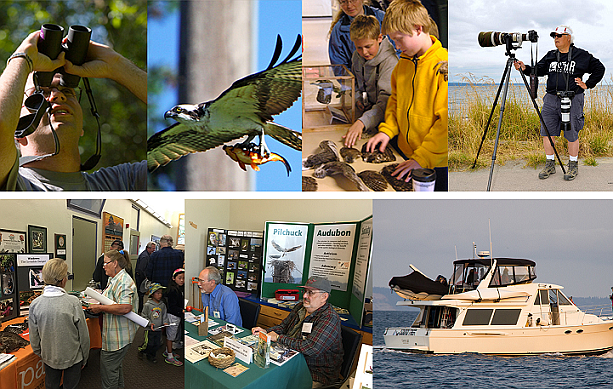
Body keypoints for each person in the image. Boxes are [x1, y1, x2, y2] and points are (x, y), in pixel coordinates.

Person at [0, 30, 147, 191]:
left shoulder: (120, 183)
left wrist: (116, 65)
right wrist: (22, 58)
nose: (58, 96)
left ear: (81, 127)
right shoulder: (12, 182)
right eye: (41, 92)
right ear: (16, 127)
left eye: (68, 91)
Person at [365, 0, 448, 191]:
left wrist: (422, 158)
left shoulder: (443, 66)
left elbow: (446, 124)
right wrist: (387, 130)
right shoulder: (402, 65)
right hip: (406, 156)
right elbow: (395, 103)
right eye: (392, 40)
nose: (396, 45)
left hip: (436, 163)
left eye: (399, 38)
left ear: (418, 28)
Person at [514, 25, 605, 181]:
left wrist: (587, 84)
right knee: (547, 132)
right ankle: (550, 164)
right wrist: (524, 68)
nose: (556, 38)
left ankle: (573, 165)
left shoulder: (581, 55)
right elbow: (537, 70)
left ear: (568, 38)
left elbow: (599, 68)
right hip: (551, 99)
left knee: (572, 133)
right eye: (554, 36)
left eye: (559, 36)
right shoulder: (551, 55)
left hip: (573, 99)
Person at [252, 276, 343, 387]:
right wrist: (266, 332)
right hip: (290, 360)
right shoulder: (300, 307)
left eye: (311, 293)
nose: (304, 296)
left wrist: (279, 338)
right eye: (305, 291)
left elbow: (311, 348)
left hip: (315, 372)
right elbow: (283, 327)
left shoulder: (329, 318)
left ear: (324, 297)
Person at [28, 258, 90, 389]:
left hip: (49, 357)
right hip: (74, 358)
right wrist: (85, 357)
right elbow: (83, 336)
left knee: (51, 385)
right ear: (63, 280)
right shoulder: (73, 302)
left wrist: (42, 354)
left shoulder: (35, 304)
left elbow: (34, 337)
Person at [343, 15, 398, 147]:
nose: (364, 52)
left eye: (368, 46)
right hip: (367, 114)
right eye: (359, 47)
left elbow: (386, 103)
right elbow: (355, 83)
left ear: (379, 38)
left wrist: (362, 122)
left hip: (386, 124)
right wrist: (357, 98)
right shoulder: (357, 56)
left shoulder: (391, 63)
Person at [89, 249, 138, 389]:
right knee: (115, 369)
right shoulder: (113, 279)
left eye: (105, 263)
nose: (103, 266)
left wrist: (100, 308)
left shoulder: (123, 282)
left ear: (115, 263)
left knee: (109, 372)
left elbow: (125, 308)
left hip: (118, 337)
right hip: (114, 333)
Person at [329, 0, 386, 71]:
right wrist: (353, 80)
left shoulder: (382, 18)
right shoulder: (338, 31)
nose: (349, 6)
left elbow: (397, 50)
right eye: (343, 2)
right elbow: (339, 66)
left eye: (353, 0)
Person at [138, 283, 169, 364]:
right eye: (158, 293)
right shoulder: (147, 305)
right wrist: (150, 323)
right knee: (149, 344)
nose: (160, 295)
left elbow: (164, 315)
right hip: (149, 329)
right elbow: (143, 316)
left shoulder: (162, 305)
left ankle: (151, 356)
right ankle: (141, 350)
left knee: (157, 344)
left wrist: (165, 322)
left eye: (161, 293)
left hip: (158, 329)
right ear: (152, 294)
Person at [163, 268, 184, 366]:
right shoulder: (172, 291)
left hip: (176, 315)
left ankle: (168, 351)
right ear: (173, 278)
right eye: (179, 278)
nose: (182, 280)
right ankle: (170, 357)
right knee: (170, 337)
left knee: (173, 335)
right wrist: (181, 310)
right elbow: (172, 306)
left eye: (183, 278)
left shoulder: (178, 289)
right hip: (173, 316)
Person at [136, 241, 156, 314]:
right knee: (141, 294)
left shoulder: (147, 255)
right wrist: (146, 278)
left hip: (142, 278)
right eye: (153, 248)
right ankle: (140, 310)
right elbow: (141, 269)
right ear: (148, 248)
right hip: (141, 279)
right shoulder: (145, 256)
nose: (154, 250)